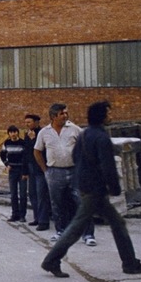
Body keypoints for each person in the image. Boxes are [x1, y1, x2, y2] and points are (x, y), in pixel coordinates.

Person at [41, 101, 141, 278]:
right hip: (95, 190)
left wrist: (82, 178)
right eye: (108, 114)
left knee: (116, 223)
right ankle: (51, 260)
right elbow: (107, 166)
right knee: (77, 227)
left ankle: (130, 262)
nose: (111, 117)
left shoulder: (85, 135)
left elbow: (76, 157)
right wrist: (114, 188)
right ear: (101, 116)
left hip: (87, 187)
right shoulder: (101, 137)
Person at [34, 103, 95, 246]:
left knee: (82, 202)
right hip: (54, 171)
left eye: (66, 113)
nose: (66, 116)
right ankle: (60, 231)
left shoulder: (74, 129)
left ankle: (88, 234)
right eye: (62, 114)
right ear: (53, 116)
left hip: (74, 171)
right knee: (57, 203)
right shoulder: (44, 132)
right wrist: (45, 170)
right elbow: (37, 151)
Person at [22, 113, 51, 231]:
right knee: (33, 193)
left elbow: (41, 151)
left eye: (29, 122)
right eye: (26, 122)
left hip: (40, 168)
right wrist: (25, 171)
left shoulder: (42, 133)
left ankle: (44, 221)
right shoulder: (27, 135)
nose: (27, 124)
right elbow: (26, 152)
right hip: (30, 167)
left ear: (36, 122)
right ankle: (37, 218)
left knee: (41, 194)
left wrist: (34, 140)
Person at [0, 125, 29, 222]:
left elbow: (26, 157)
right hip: (12, 170)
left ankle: (22, 215)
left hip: (21, 170)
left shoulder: (22, 143)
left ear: (18, 132)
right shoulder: (7, 143)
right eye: (11, 132)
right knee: (13, 194)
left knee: (23, 194)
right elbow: (2, 155)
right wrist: (7, 164)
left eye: (15, 132)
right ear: (9, 134)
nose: (13, 134)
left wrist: (25, 171)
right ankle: (14, 214)